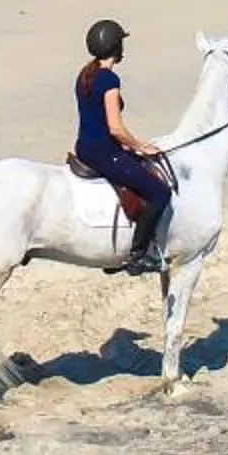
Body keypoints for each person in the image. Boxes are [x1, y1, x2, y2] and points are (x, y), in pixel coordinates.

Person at [74, 20, 171, 277]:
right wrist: (141, 147)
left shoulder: (85, 74)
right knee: (160, 192)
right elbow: (115, 128)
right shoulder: (109, 80)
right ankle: (137, 256)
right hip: (104, 152)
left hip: (84, 147)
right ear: (116, 47)